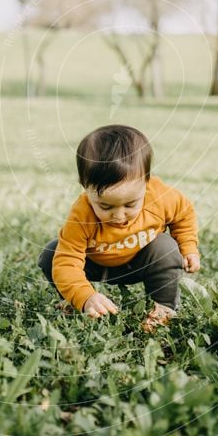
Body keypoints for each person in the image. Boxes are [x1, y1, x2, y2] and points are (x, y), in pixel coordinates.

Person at [38, 124, 201, 331]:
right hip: (96, 263)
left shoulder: (161, 196)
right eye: (105, 206)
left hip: (139, 261)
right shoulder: (81, 215)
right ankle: (78, 302)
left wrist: (188, 247)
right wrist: (84, 296)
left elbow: (184, 215)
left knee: (165, 247)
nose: (119, 215)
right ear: (85, 186)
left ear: (146, 182)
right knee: (52, 255)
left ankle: (163, 309)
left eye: (130, 204)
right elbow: (67, 262)